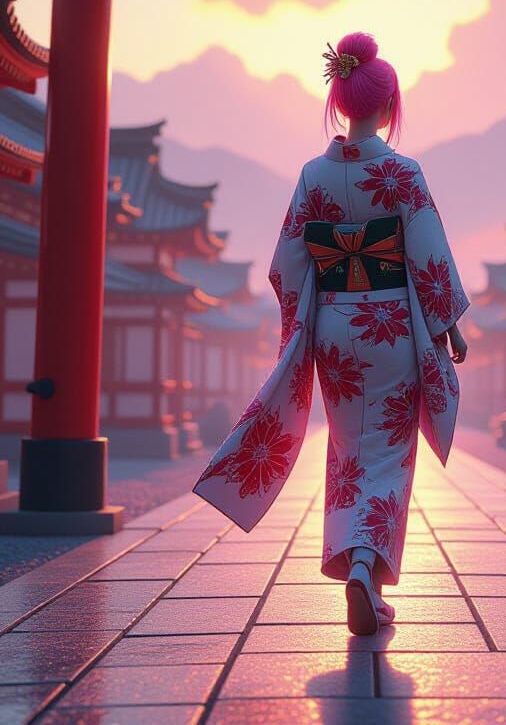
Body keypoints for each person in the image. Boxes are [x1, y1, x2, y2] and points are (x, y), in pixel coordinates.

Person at [194, 31, 469, 635]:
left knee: (348, 449)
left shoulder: (313, 176)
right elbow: (428, 255)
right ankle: (366, 568)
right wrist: (447, 323)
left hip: (335, 328)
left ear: (340, 102)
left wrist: (303, 322)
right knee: (389, 451)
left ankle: (357, 565)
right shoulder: (403, 173)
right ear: (389, 104)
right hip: (392, 323)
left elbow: (286, 263)